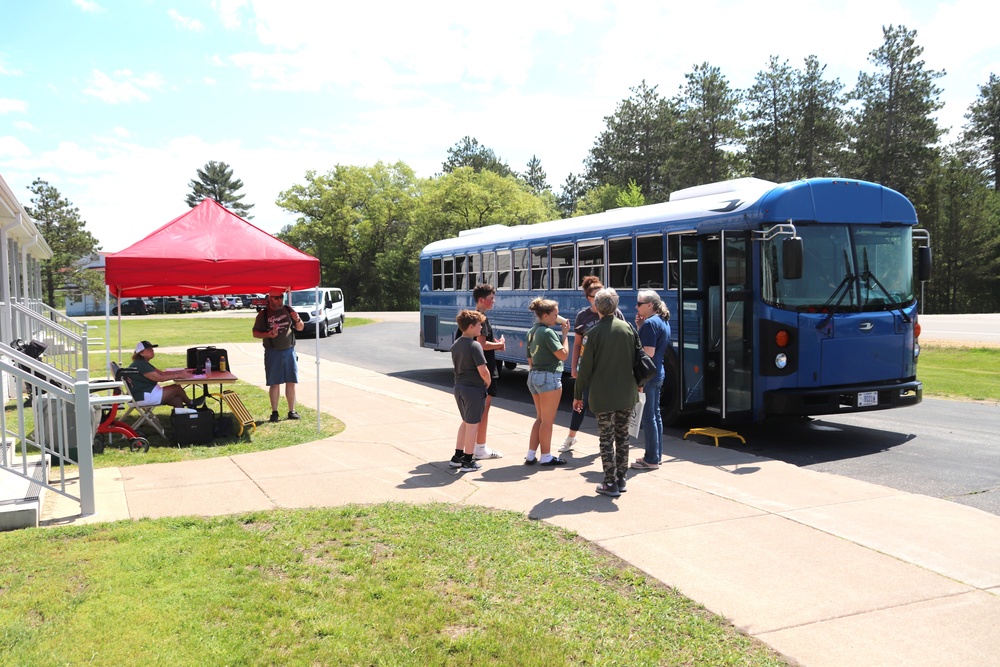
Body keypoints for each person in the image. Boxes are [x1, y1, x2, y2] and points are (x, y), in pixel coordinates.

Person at [572, 288, 639, 498]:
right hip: (627, 393)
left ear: (597, 307)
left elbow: (585, 369)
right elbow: (639, 359)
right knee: (623, 437)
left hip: (603, 395)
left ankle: (609, 482)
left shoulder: (593, 334)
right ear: (616, 305)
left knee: (606, 438)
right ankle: (621, 478)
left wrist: (577, 394)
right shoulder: (628, 328)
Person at [561, 276, 626, 452]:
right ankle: (571, 437)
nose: (599, 299)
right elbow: (577, 344)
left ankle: (607, 440)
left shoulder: (615, 313)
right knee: (579, 402)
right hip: (587, 366)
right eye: (595, 296)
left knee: (608, 405)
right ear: (588, 298)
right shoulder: (583, 316)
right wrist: (573, 367)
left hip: (608, 367)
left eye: (601, 295)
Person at [524, 298, 570, 465]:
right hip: (549, 376)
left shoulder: (532, 331)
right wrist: (565, 335)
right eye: (555, 315)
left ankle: (531, 454)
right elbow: (563, 355)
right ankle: (546, 456)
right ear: (545, 315)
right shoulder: (548, 333)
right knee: (548, 421)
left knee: (540, 418)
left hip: (534, 375)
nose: (557, 318)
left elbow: (529, 358)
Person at [631, 290, 671, 470]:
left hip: (647, 376)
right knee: (655, 415)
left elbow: (648, 353)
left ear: (649, 305)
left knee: (648, 418)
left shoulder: (649, 324)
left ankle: (651, 459)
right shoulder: (662, 321)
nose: (636, 306)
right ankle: (656, 454)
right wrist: (640, 327)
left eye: (639, 304)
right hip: (658, 373)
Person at [252, 288, 305, 422]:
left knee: (291, 381)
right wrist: (268, 334)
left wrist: (298, 320)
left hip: (289, 350)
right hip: (273, 351)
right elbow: (255, 333)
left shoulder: (288, 310)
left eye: (281, 297)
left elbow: (300, 327)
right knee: (274, 383)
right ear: (270, 299)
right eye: (276, 298)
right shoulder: (263, 315)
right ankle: (274, 412)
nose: (280, 300)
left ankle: (291, 411)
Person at [449, 309, 492, 473]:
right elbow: (483, 370)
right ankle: (468, 460)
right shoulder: (475, 346)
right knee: (473, 425)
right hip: (473, 388)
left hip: (459, 387)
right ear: (472, 326)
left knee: (466, 422)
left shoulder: (456, 345)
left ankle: (457, 456)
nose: (481, 328)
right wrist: (487, 383)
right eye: (480, 325)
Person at [470, 283, 505, 460]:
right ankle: (480, 448)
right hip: (485, 369)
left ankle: (473, 447)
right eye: (491, 298)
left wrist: (494, 342)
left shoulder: (472, 318)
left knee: (476, 411)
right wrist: (499, 345)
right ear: (482, 300)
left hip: (474, 370)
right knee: (484, 409)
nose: (494, 301)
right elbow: (482, 344)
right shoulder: (481, 319)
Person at [128, 340, 203, 408]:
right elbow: (160, 378)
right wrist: (179, 375)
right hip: (142, 396)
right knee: (176, 388)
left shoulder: (141, 363)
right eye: (148, 349)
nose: (152, 350)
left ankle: (180, 420)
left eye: (152, 348)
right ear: (141, 353)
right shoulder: (141, 365)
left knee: (177, 400)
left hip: (144, 394)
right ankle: (191, 403)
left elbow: (162, 373)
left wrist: (181, 372)